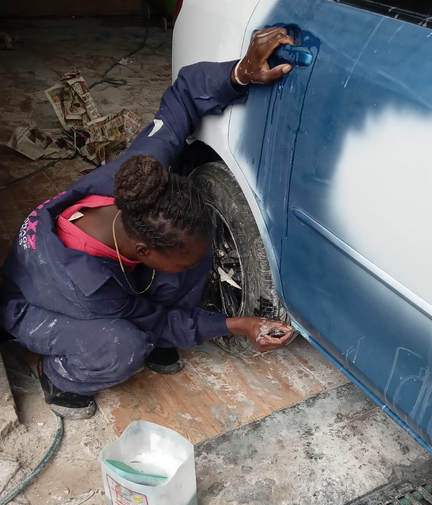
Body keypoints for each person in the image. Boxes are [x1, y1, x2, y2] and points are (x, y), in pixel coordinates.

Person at [0, 28, 296, 419]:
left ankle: (163, 298)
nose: (197, 269)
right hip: (36, 306)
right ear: (141, 251)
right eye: (182, 262)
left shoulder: (142, 180)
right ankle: (60, 376)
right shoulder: (89, 290)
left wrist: (241, 71)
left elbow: (184, 95)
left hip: (109, 275)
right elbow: (156, 322)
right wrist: (238, 325)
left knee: (188, 255)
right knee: (123, 346)